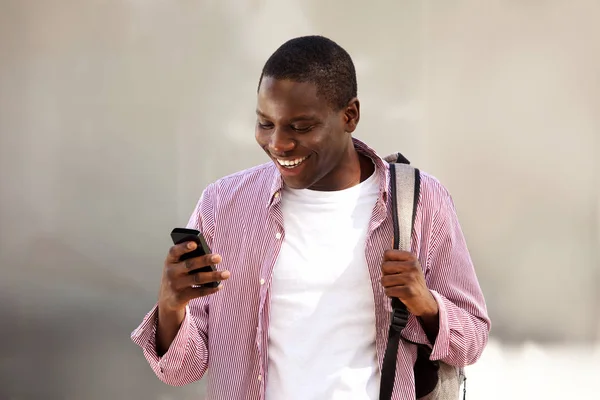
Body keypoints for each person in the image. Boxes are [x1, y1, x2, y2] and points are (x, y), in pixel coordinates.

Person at [131, 35, 490, 400]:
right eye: (266, 124)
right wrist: (172, 307)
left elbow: (472, 340)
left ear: (350, 115)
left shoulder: (420, 202)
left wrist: (425, 304)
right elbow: (182, 369)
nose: (279, 144)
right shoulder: (223, 205)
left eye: (300, 127)